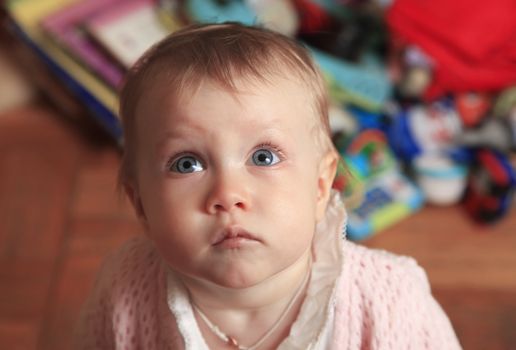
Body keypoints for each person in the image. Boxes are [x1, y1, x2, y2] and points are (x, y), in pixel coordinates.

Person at [74, 23, 461, 349]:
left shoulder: (391, 302)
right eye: (187, 163)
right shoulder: (125, 289)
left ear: (321, 185)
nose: (228, 194)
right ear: (140, 203)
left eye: (263, 157)